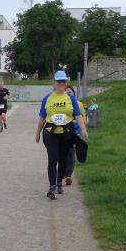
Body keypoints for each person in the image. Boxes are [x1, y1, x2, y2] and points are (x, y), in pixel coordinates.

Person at [35, 71, 88, 200]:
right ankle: (52, 187)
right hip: (51, 133)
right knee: (52, 160)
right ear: (54, 82)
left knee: (63, 161)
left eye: (64, 81)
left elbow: (78, 115)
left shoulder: (71, 98)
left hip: (66, 134)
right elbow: (42, 117)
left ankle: (59, 183)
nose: (61, 83)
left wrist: (83, 129)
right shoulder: (47, 98)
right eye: (59, 81)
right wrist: (37, 133)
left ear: (66, 82)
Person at [62, 84, 86, 186]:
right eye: (66, 92)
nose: (68, 94)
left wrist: (82, 128)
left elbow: (83, 117)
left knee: (71, 153)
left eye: (70, 92)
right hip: (63, 132)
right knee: (63, 153)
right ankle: (63, 172)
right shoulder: (62, 103)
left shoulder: (79, 104)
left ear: (74, 94)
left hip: (75, 132)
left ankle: (68, 175)